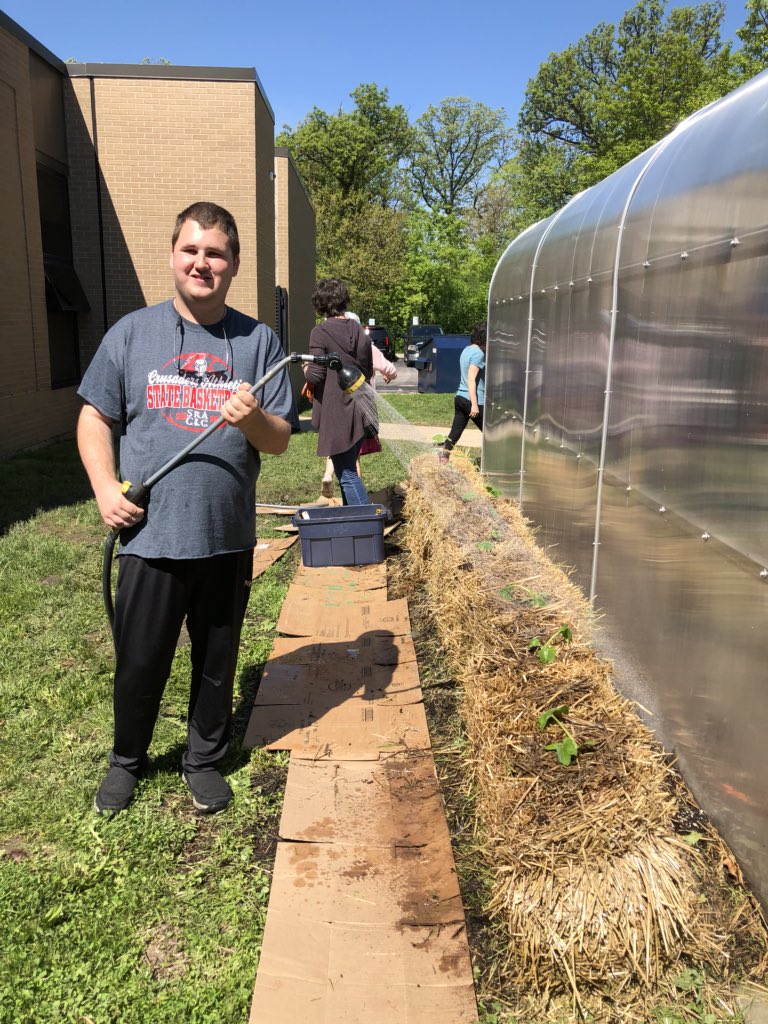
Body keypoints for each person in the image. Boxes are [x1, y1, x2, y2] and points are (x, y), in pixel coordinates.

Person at [77, 201, 294, 816]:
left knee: (217, 662)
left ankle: (202, 759)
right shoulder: (131, 333)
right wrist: (103, 487)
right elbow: (95, 415)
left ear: (234, 264)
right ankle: (127, 760)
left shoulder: (259, 342)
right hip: (150, 536)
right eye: (192, 250)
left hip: (226, 536)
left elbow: (278, 440)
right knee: (140, 659)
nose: (203, 263)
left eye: (216, 253)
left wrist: (252, 418)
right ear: (174, 255)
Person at [304, 279, 373, 505]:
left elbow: (315, 376)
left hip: (337, 411)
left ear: (320, 304)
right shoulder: (359, 332)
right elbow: (367, 370)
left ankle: (366, 525)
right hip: (361, 406)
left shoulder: (320, 332)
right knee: (348, 467)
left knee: (347, 475)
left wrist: (305, 367)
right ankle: (354, 520)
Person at [320, 340, 396, 496]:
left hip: (336, 404)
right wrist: (388, 374)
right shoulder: (366, 347)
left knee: (336, 446)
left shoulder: (332, 346)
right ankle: (357, 496)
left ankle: (328, 474)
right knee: (354, 457)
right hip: (361, 405)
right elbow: (389, 368)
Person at [438, 321, 487, 462]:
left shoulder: (467, 350)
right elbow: (471, 379)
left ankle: (442, 457)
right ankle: (491, 463)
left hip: (460, 397)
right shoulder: (478, 354)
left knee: (455, 432)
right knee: (491, 434)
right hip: (471, 400)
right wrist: (474, 404)